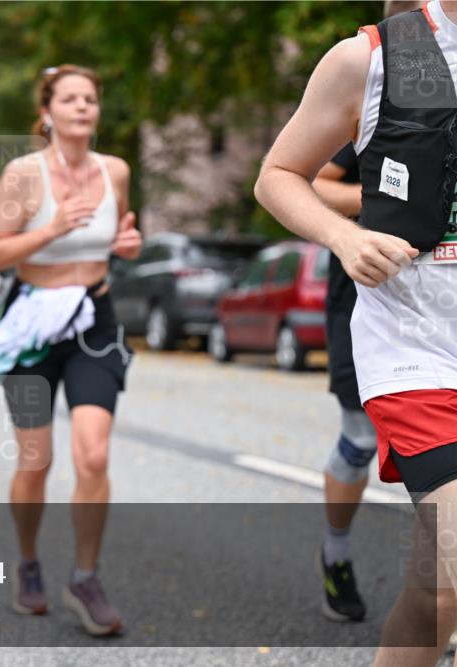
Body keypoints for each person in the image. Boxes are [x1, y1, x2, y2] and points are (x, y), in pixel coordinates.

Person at [255, 2, 457, 664]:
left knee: (437, 593)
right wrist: (344, 236)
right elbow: (278, 176)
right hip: (418, 351)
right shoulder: (373, 57)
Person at [0, 65, 142, 635]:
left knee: (92, 457)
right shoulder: (23, 175)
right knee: (36, 460)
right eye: (70, 98)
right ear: (47, 112)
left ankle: (86, 577)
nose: (82, 107)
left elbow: (120, 241)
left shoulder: (114, 171)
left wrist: (128, 245)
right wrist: (50, 230)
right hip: (34, 327)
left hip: (94, 321)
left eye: (90, 98)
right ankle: (27, 562)